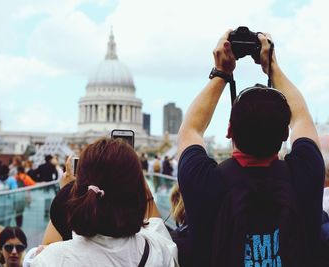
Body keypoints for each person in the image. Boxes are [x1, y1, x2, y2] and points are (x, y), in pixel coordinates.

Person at [177, 30, 324, 266]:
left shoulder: (203, 181)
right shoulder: (306, 173)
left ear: (229, 131)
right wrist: (272, 66)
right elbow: (302, 118)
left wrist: (221, 73)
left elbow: (190, 129)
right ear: (286, 134)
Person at [31, 138, 178, 266]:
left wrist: (67, 194)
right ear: (138, 191)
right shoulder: (159, 252)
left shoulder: (50, 260)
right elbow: (156, 224)